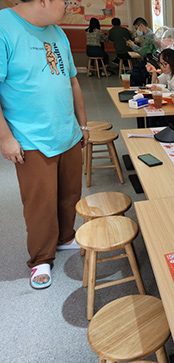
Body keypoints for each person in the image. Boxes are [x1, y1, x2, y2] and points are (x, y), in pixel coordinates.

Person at [0, 0, 89, 289]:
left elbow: (72, 81)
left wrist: (82, 123)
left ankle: (65, 237)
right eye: (66, 2)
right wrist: (5, 137)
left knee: (69, 192)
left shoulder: (56, 31)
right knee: (40, 203)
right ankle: (40, 258)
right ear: (44, 1)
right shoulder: (4, 27)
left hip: (67, 131)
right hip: (31, 138)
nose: (69, 6)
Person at [126, 17, 155, 86]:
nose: (136, 31)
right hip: (147, 62)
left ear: (141, 25)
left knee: (132, 75)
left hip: (150, 63)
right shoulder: (147, 36)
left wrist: (133, 46)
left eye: (136, 29)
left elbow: (144, 53)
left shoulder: (149, 36)